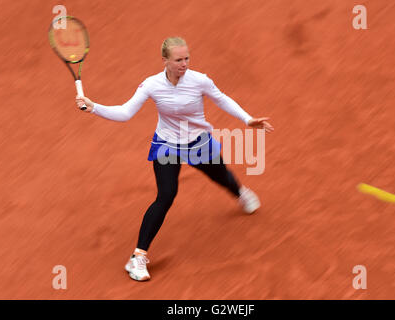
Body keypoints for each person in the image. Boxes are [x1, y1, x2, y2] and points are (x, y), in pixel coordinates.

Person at [75, 37, 274, 282]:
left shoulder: (199, 80)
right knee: (166, 195)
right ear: (165, 61)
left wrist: (247, 119)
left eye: (187, 58)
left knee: (222, 176)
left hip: (198, 142)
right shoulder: (151, 85)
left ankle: (240, 193)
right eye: (179, 60)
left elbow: (222, 99)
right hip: (167, 145)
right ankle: (137, 257)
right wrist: (94, 106)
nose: (184, 64)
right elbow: (125, 113)